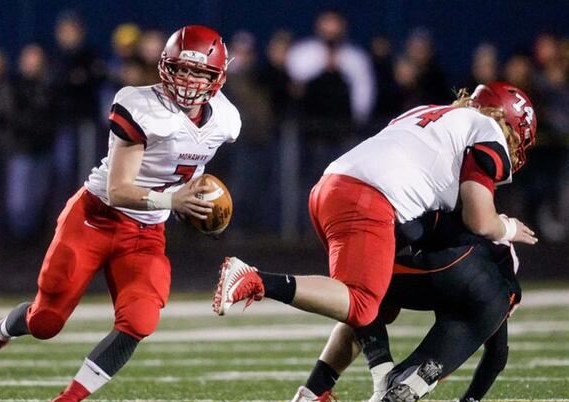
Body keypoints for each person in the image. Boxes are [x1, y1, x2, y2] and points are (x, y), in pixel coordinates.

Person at [0, 25, 240, 402]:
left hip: (145, 233)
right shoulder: (138, 104)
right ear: (164, 67)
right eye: (182, 70)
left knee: (140, 319)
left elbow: (192, 163)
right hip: (96, 217)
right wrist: (174, 199)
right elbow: (120, 188)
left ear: (218, 78)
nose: (190, 82)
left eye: (201, 74)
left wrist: (196, 202)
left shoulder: (227, 120)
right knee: (45, 322)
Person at [214, 82, 538, 368]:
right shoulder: (488, 131)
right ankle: (256, 280)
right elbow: (480, 220)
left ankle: (315, 393)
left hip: (333, 184)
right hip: (370, 197)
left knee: (377, 303)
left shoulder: (431, 112)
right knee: (361, 302)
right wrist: (507, 228)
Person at [285, 211, 519, 402]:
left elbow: (413, 229)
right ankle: (411, 385)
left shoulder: (451, 209)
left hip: (455, 268)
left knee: (360, 292)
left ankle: (320, 391)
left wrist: (374, 258)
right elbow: (498, 354)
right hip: (498, 297)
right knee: (427, 365)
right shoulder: (503, 249)